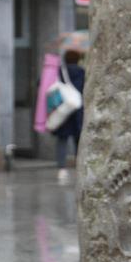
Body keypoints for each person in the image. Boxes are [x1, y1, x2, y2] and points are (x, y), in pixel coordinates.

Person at [52, 50, 85, 183]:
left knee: (62, 140)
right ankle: (80, 167)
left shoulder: (59, 72)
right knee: (79, 141)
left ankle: (62, 169)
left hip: (63, 109)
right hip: (77, 110)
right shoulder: (82, 72)